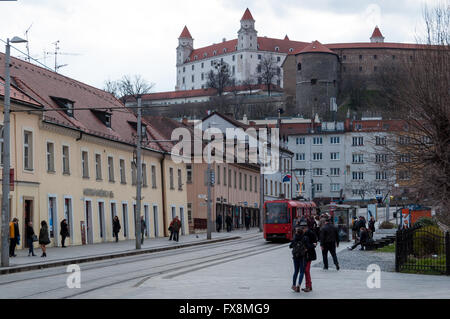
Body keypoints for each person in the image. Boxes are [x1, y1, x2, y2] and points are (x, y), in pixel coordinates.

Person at [289, 227, 311, 292]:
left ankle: (293, 285)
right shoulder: (305, 238)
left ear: (297, 232)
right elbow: (308, 246)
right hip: (302, 257)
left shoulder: (294, 238)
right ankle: (299, 284)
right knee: (301, 272)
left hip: (295, 257)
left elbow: (290, 246)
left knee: (296, 271)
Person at [301, 220, 317, 292]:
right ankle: (308, 286)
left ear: (306, 228)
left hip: (309, 254)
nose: (302, 229)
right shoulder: (303, 234)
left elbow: (315, 243)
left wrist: (308, 248)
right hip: (304, 255)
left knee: (306, 270)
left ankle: (308, 286)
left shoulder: (310, 233)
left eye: (303, 228)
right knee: (305, 271)